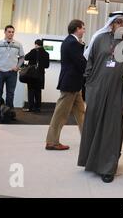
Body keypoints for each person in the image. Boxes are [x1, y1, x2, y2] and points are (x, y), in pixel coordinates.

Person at [78, 12, 123, 183]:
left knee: (113, 128)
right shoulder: (100, 39)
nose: (122, 24)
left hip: (119, 92)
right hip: (97, 90)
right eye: (119, 21)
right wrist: (90, 83)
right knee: (93, 124)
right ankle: (91, 161)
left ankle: (108, 167)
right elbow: (90, 62)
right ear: (111, 24)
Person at [45, 20, 87, 151]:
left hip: (74, 84)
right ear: (77, 29)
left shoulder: (71, 42)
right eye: (83, 28)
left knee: (81, 113)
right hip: (70, 84)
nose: (84, 31)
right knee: (60, 114)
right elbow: (81, 63)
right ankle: (52, 142)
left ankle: (88, 139)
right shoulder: (72, 43)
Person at [0, 25, 25, 120]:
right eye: (9, 31)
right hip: (0, 72)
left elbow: (22, 57)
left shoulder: (18, 44)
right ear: (5, 32)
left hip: (12, 73)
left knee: (10, 94)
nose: (11, 33)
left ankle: (10, 114)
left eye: (12, 32)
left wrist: (17, 67)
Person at [24, 39, 50, 113]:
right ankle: (38, 108)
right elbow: (47, 66)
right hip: (41, 75)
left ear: (36, 44)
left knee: (31, 90)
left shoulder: (33, 51)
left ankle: (30, 108)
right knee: (38, 91)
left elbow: (26, 57)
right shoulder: (46, 53)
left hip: (32, 74)